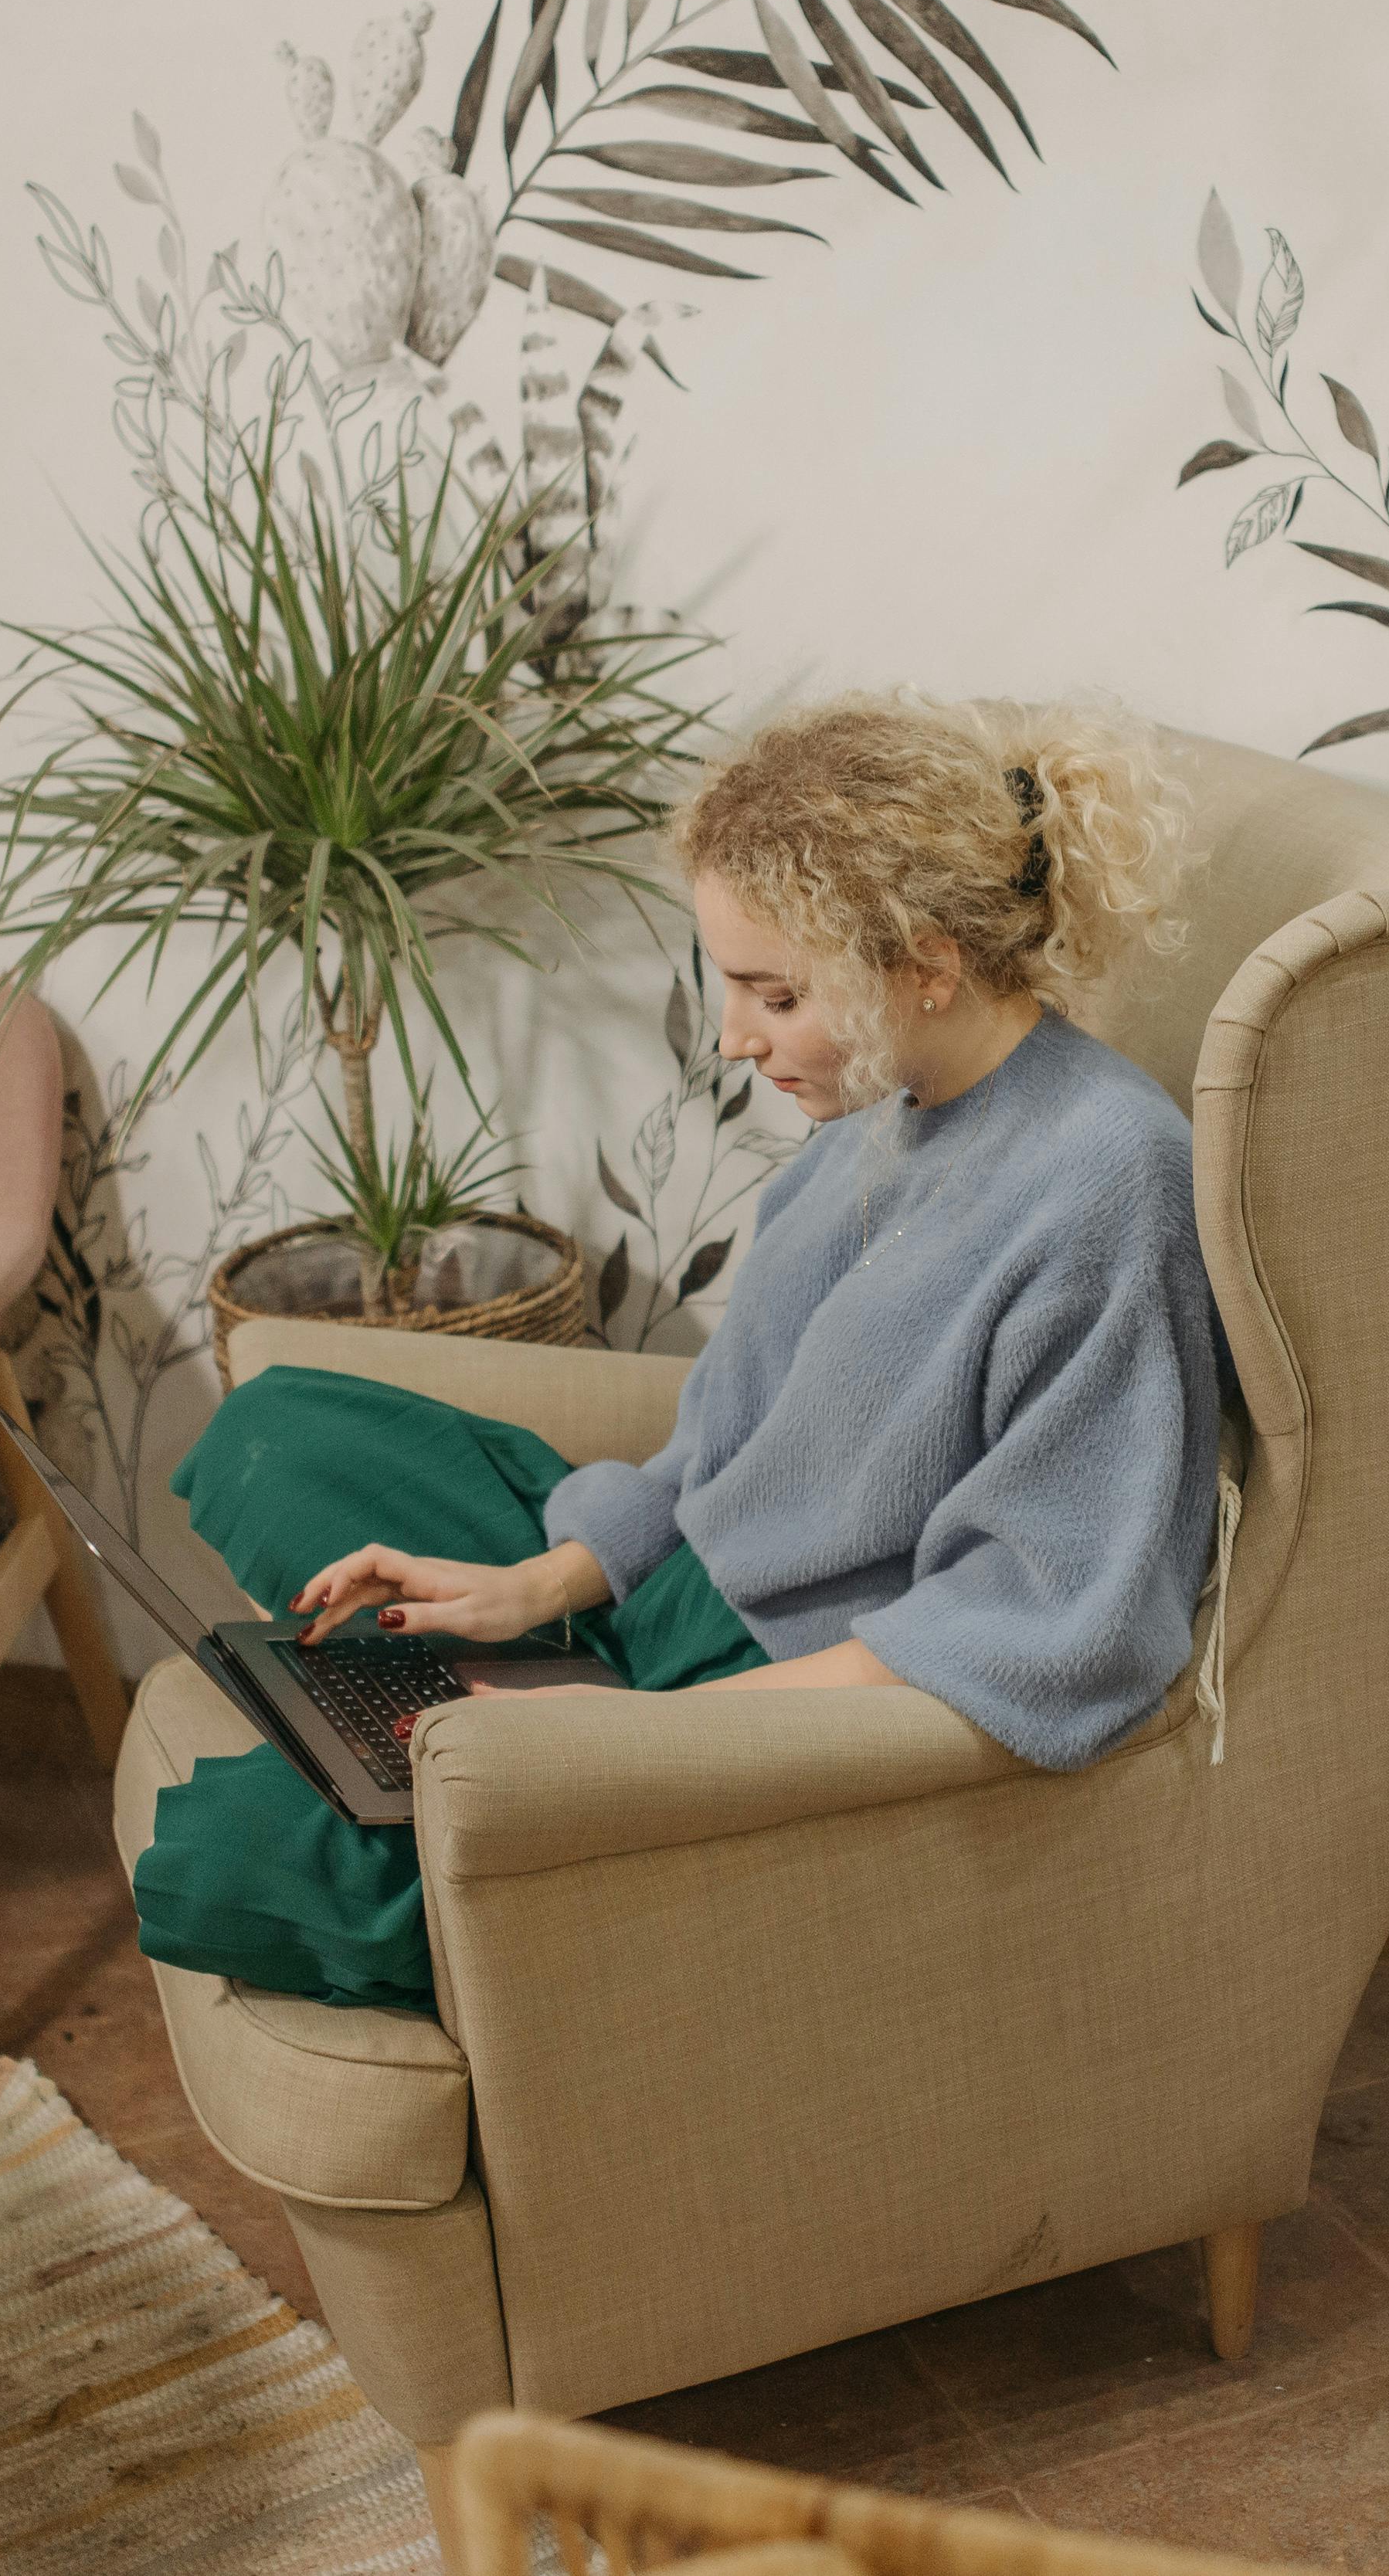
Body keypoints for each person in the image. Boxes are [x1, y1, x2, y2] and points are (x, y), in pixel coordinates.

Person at [133, 692, 1231, 2010]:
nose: (734, 1039)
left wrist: (637, 1736)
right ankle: (464, 1690)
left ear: (926, 964)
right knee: (271, 1429)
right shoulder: (884, 1109)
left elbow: (1051, 1620)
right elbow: (723, 1446)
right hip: (666, 1592)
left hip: (782, 1697)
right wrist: (532, 1589)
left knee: (223, 1851)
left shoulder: (1108, 1179)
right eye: (730, 985)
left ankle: (483, 1762)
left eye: (777, 993)